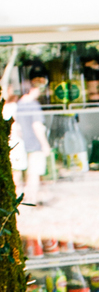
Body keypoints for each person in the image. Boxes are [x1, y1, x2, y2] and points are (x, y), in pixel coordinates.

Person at [12, 72, 49, 207]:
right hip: (35, 144)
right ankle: (31, 200)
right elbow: (37, 126)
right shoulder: (33, 105)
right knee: (34, 173)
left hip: (24, 144)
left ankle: (26, 198)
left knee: (27, 174)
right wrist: (45, 144)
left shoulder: (20, 103)